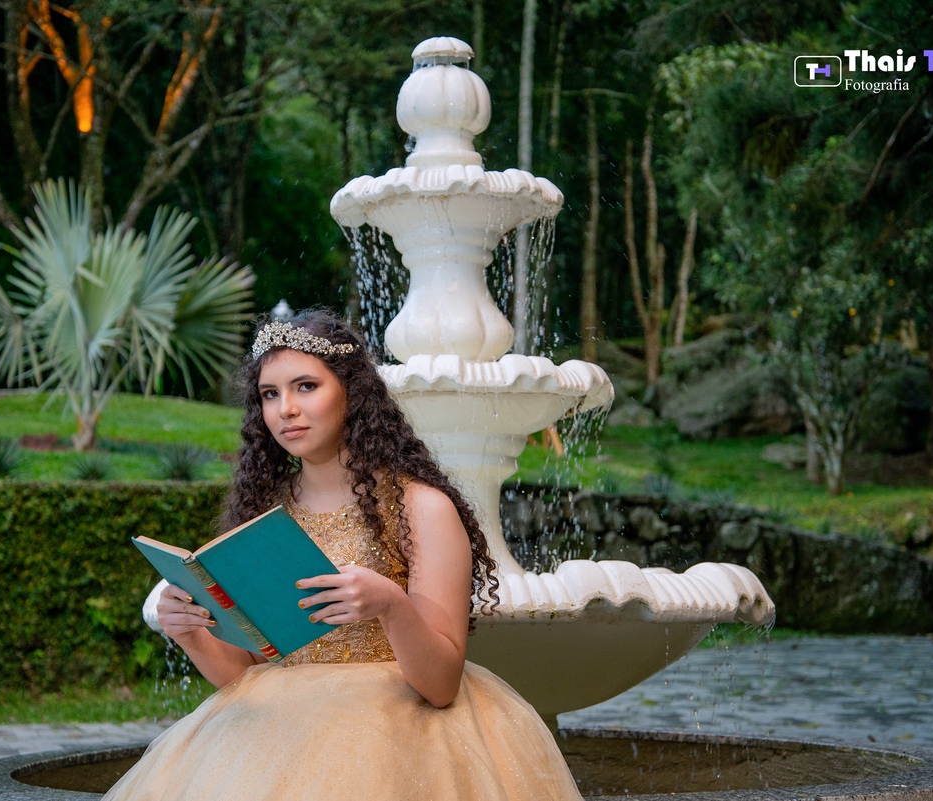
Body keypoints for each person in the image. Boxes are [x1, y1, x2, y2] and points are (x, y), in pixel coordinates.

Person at [103, 309, 583, 801]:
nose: (286, 409)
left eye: (306, 386)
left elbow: (441, 685)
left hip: (397, 746)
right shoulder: (263, 514)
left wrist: (390, 604)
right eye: (270, 394)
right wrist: (190, 633)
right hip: (276, 741)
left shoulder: (420, 508)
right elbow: (247, 675)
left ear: (352, 392)